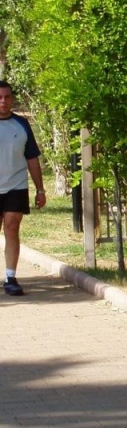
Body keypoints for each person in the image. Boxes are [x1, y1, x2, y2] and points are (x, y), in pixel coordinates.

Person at [0, 81, 46, 296]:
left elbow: (32, 158)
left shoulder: (22, 124)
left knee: (12, 227)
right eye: (0, 98)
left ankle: (11, 277)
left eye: (7, 97)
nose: (3, 102)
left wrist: (40, 189)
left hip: (16, 186)